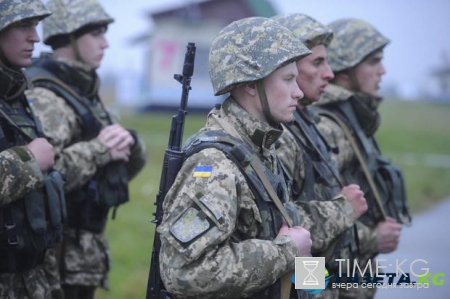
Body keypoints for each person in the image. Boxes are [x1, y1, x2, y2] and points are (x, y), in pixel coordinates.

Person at [157, 16, 365, 299]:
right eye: (288, 80)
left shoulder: (260, 150)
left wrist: (316, 291)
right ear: (251, 84)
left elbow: (294, 233)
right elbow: (186, 272)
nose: (298, 92)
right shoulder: (215, 164)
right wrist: (286, 252)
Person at [24, 0, 148, 298]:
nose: (106, 44)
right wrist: (100, 150)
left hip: (84, 256)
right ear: (66, 38)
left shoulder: (82, 90)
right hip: (57, 259)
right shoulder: (46, 97)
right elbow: (40, 177)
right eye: (96, 34)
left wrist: (130, 145)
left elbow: (113, 170)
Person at [314, 18, 410, 299]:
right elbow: (310, 216)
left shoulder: (350, 118)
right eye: (373, 62)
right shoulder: (327, 126)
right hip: (330, 284)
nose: (383, 71)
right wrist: (373, 238)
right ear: (346, 69)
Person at [273, 13, 367, 299]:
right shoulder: (280, 136)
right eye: (317, 62)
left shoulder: (305, 123)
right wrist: (344, 209)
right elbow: (285, 226)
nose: (329, 73)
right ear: (286, 66)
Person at [0, 1, 66, 298]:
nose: (36, 37)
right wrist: (29, 161)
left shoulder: (15, 94)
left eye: (35, 25)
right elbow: (36, 161)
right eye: (23, 26)